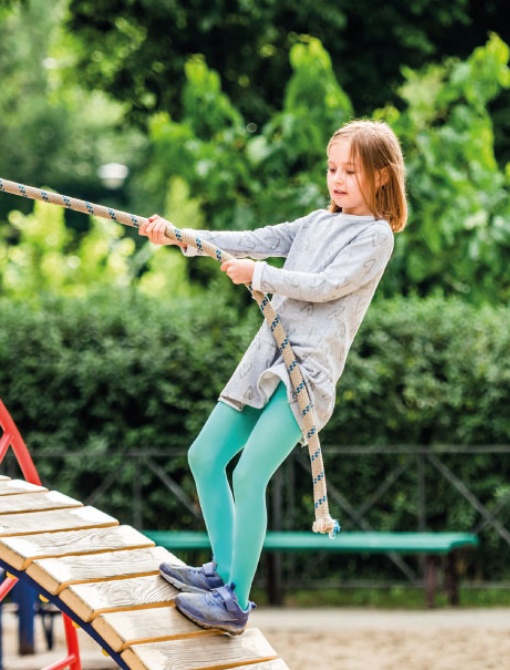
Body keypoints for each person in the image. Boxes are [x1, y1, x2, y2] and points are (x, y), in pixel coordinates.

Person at [138, 119, 407, 635]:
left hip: (303, 376)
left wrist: (256, 274)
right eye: (333, 168)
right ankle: (221, 570)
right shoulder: (314, 222)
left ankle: (235, 601)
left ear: (381, 177)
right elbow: (253, 239)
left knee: (249, 474)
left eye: (351, 170)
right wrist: (181, 237)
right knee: (205, 456)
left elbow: (327, 285)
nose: (338, 178)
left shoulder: (375, 237)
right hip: (264, 359)